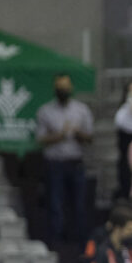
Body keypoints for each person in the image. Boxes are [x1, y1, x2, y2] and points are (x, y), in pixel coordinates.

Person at [36, 73, 94, 242]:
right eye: (60, 87)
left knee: (79, 205)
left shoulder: (82, 110)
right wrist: (60, 135)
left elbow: (90, 137)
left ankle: (80, 241)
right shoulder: (45, 111)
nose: (63, 90)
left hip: (75, 162)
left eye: (66, 87)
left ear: (71, 88)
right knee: (55, 204)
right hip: (54, 164)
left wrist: (76, 133)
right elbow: (40, 139)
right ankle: (57, 240)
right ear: (55, 89)